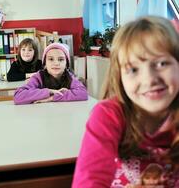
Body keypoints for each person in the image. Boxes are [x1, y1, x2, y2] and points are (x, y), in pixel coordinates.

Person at [72, 16, 179, 188]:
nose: (149, 79)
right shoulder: (109, 115)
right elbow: (89, 182)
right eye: (133, 69)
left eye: (161, 63)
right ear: (119, 76)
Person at [14, 42, 88, 104]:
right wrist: (49, 92)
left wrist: (53, 98)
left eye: (61, 59)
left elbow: (83, 93)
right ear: (45, 64)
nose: (56, 63)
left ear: (66, 64)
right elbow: (18, 96)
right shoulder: (38, 77)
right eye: (51, 59)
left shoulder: (70, 77)